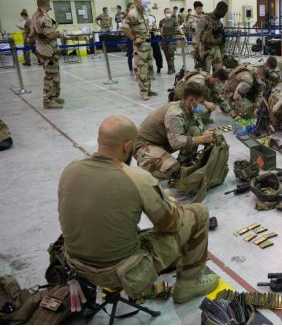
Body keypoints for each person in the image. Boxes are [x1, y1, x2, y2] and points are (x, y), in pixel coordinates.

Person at [58, 115, 217, 304]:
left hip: (75, 265)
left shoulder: (70, 169)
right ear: (127, 146)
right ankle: (188, 285)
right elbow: (171, 225)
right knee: (198, 212)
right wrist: (169, 203)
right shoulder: (137, 178)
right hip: (119, 272)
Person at [134, 82, 214, 181]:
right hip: (143, 145)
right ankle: (148, 170)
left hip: (163, 141)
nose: (203, 105)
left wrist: (208, 109)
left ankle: (184, 164)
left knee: (195, 131)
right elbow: (175, 142)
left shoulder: (189, 107)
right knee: (172, 168)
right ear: (191, 100)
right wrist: (202, 139)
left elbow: (200, 119)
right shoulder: (175, 114)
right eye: (202, 102)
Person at [31, 0, 65, 109]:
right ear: (47, 3)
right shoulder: (44, 17)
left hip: (42, 49)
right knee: (51, 76)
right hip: (48, 51)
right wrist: (59, 33)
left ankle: (53, 97)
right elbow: (50, 35)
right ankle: (48, 100)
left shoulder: (35, 15)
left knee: (51, 75)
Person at [121, 0, 157, 101]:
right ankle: (143, 92)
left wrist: (152, 28)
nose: (144, 0)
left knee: (150, 67)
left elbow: (144, 26)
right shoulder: (133, 13)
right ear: (136, 1)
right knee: (142, 69)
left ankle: (149, 89)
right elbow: (124, 27)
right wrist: (134, 38)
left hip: (148, 43)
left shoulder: (145, 12)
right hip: (140, 46)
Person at [195, 1, 228, 73]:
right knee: (204, 73)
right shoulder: (205, 20)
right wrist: (196, 51)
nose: (224, 15)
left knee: (219, 72)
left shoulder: (220, 24)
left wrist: (223, 54)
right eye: (223, 12)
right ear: (218, 9)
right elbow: (197, 35)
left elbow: (222, 41)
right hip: (205, 50)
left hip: (216, 50)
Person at [159, 7, 184, 74]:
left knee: (170, 51)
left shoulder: (173, 20)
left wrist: (182, 34)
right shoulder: (162, 21)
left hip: (172, 38)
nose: (168, 13)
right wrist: (162, 38)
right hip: (165, 38)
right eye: (167, 12)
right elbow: (161, 30)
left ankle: (171, 68)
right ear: (164, 13)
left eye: (169, 12)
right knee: (166, 54)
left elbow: (178, 28)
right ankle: (171, 68)